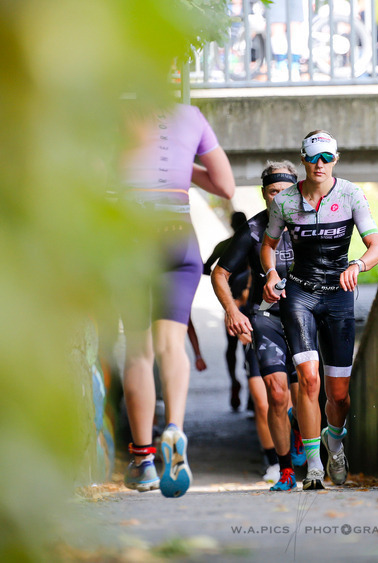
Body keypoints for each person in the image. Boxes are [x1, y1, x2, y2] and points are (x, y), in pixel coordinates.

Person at [119, 102, 235, 497]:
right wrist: (185, 170)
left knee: (138, 352)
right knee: (172, 345)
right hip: (178, 234)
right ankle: (176, 428)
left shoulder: (112, 110)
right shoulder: (191, 115)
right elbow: (226, 185)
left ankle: (144, 461)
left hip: (130, 234)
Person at [262, 131, 378, 490]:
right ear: (303, 159)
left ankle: (335, 442)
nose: (320, 165)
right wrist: (271, 272)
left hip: (339, 295)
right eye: (314, 158)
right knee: (309, 380)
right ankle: (314, 464)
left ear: (335, 160)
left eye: (327, 158)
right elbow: (268, 245)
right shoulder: (284, 201)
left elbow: (376, 246)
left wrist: (357, 266)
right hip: (300, 293)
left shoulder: (350, 194)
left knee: (339, 394)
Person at [212, 161, 306, 491]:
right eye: (273, 192)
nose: (280, 198)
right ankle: (282, 469)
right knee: (274, 397)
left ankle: (306, 449)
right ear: (264, 195)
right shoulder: (252, 231)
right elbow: (219, 273)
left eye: (286, 192)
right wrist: (232, 312)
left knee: (304, 395)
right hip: (264, 319)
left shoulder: (310, 225)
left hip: (303, 319)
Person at [204, 211, 250, 410]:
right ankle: (252, 393)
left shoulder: (224, 245)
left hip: (230, 302)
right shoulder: (252, 243)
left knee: (231, 345)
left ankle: (234, 381)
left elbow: (206, 268)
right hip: (250, 300)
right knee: (251, 347)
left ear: (231, 225)